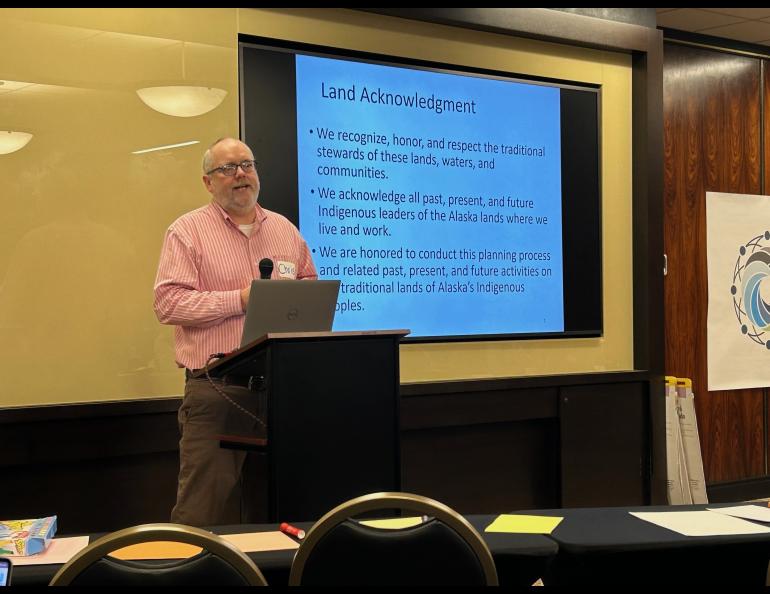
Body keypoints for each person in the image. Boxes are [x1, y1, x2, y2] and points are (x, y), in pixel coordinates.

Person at [154, 137, 317, 526]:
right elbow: (168, 304)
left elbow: (310, 287)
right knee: (200, 513)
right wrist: (242, 300)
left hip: (283, 390)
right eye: (227, 168)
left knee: (277, 513)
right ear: (208, 182)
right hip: (218, 390)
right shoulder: (187, 232)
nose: (240, 174)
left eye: (247, 165)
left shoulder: (283, 229)